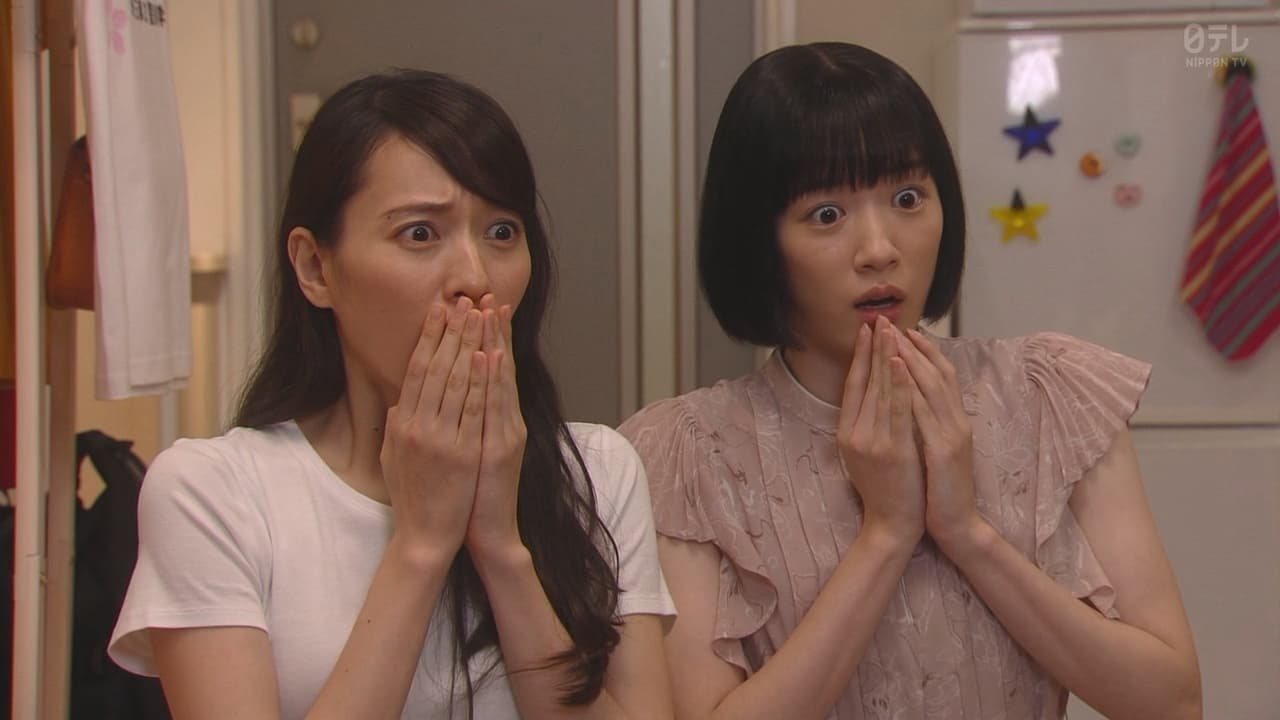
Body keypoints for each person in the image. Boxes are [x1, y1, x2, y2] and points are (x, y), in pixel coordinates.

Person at [618, 43, 1201, 720]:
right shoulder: (686, 453)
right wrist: (887, 534)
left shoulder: (1050, 394)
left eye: (907, 198)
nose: (880, 249)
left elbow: (1172, 702)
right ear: (758, 241)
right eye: (827, 214)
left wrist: (968, 532)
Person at [109, 69, 675, 720]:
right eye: (420, 234)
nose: (474, 278)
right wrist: (420, 546)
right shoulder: (212, 492)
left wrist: (500, 546)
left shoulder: (597, 471)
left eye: (501, 232)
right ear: (315, 268)